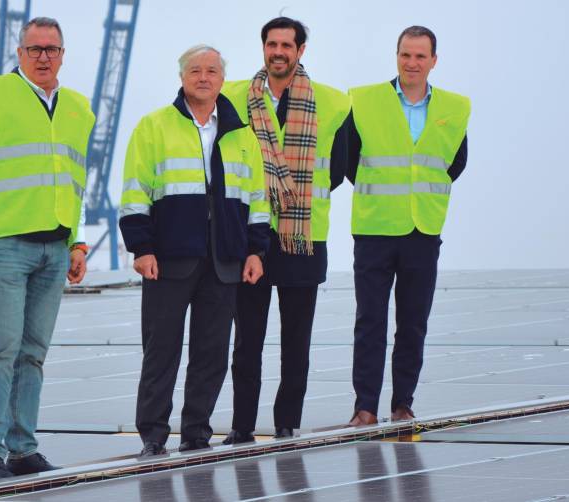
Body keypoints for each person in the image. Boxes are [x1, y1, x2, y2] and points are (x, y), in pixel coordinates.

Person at [0, 17, 94, 481]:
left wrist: (79, 241)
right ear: (19, 52)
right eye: (35, 49)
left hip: (54, 246)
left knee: (33, 352)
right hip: (4, 245)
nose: (44, 56)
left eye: (52, 48)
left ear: (63, 53)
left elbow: (78, 181)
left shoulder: (77, 108)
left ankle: (23, 448)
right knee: (2, 348)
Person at [119, 45, 271, 458]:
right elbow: (135, 192)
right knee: (161, 350)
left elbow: (258, 200)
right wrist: (141, 247)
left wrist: (256, 252)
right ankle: (153, 434)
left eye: (212, 71)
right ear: (182, 76)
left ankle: (196, 433)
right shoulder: (154, 127)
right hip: (168, 259)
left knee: (211, 353)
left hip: (224, 260)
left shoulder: (242, 136)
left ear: (223, 78)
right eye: (195, 71)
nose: (203, 77)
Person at [220, 17, 350, 444]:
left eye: (286, 46)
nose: (278, 52)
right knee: (247, 341)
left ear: (300, 51)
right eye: (271, 44)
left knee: (296, 341)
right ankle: (241, 426)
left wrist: (288, 192)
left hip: (304, 236)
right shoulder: (232, 97)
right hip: (249, 236)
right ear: (263, 48)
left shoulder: (333, 102)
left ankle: (285, 423)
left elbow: (341, 166)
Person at [338, 25, 470, 426]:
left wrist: (423, 196)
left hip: (423, 231)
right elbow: (347, 158)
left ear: (433, 60)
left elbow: (456, 162)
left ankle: (402, 404)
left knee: (413, 321)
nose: (411, 63)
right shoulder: (364, 100)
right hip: (375, 228)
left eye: (419, 56)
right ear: (396, 56)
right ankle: (364, 407)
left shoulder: (454, 107)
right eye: (405, 55)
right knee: (371, 321)